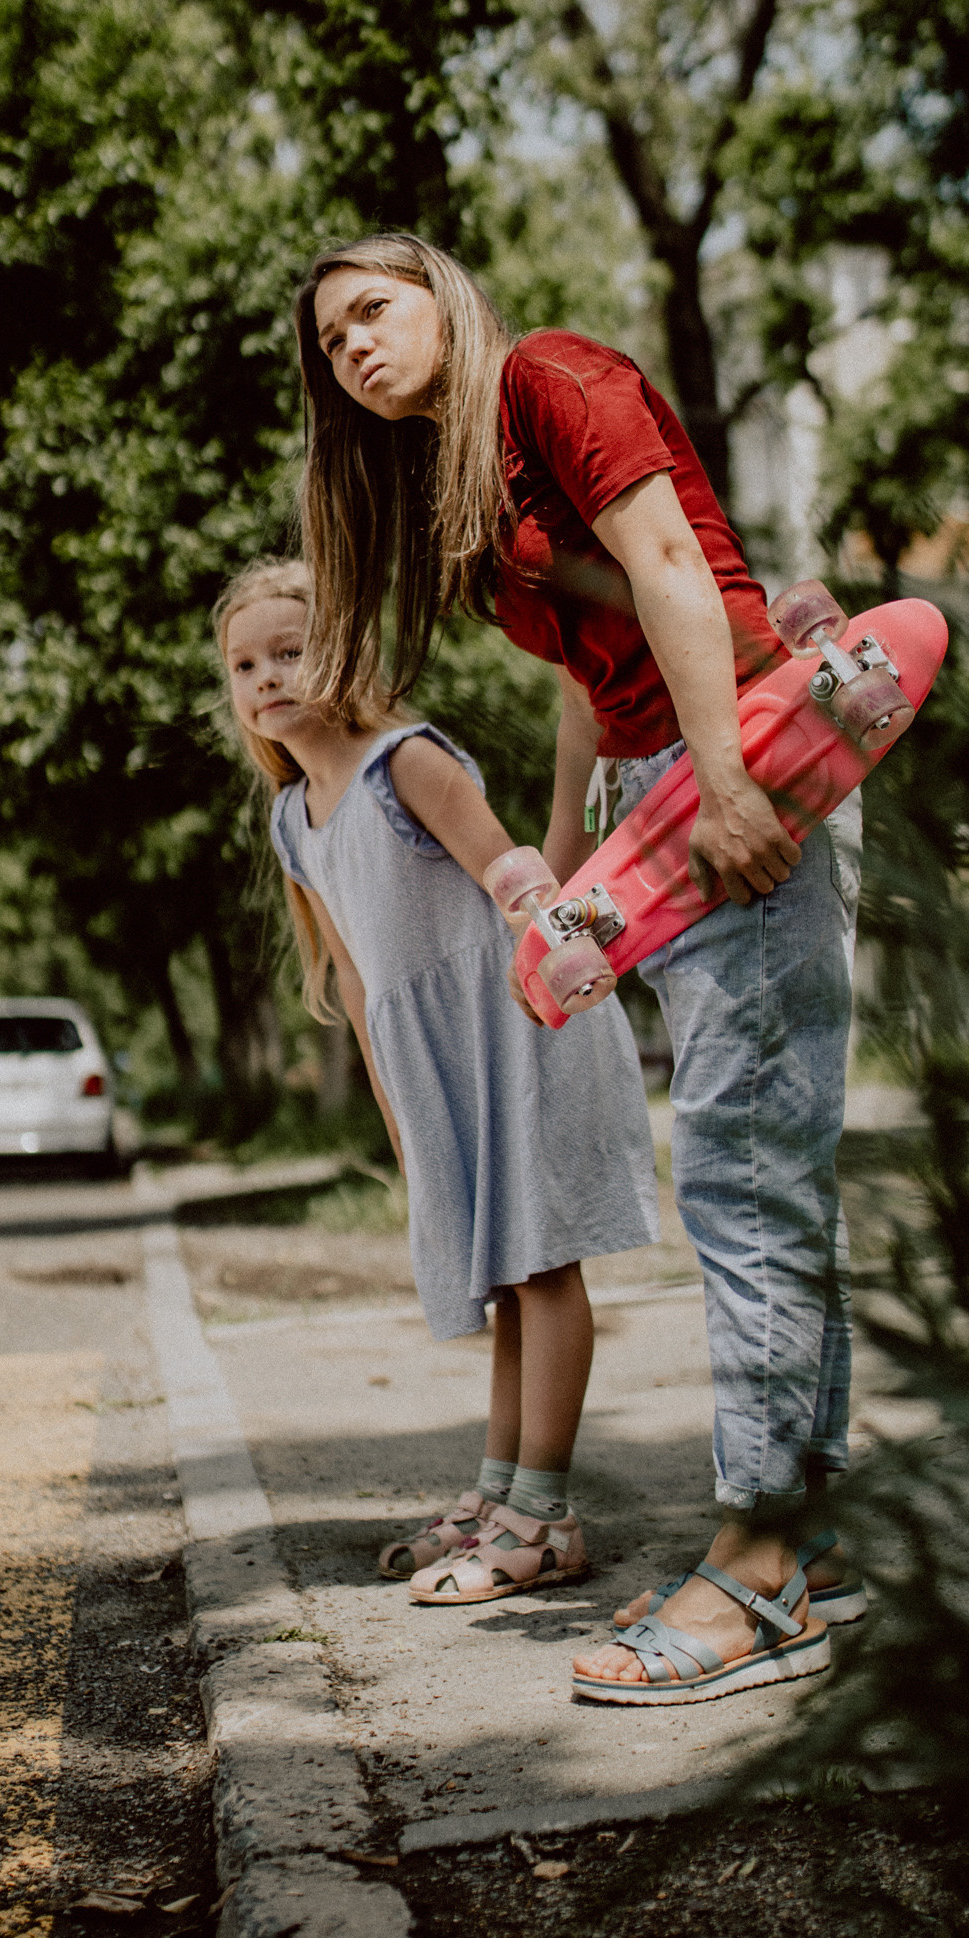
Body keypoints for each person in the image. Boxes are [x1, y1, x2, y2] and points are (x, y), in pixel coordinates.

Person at [293, 239, 865, 1705]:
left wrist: (730, 777)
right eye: (332, 341)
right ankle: (816, 1537)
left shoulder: (550, 376)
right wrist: (565, 873)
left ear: (441, 294)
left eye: (376, 309)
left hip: (732, 754)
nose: (356, 346)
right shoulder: (464, 485)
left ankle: (758, 1571)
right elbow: (582, 668)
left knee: (742, 1165)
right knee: (767, 1159)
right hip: (655, 782)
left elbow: (670, 562)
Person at [214, 557, 659, 1606]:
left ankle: (543, 1518)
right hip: (437, 1062)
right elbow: (362, 985)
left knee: (543, 1266)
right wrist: (398, 1116)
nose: (267, 678)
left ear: (345, 650)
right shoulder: (294, 818)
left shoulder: (401, 762)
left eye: (290, 650)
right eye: (245, 664)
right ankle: (499, 1494)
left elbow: (519, 885)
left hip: (513, 1028)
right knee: (505, 1276)